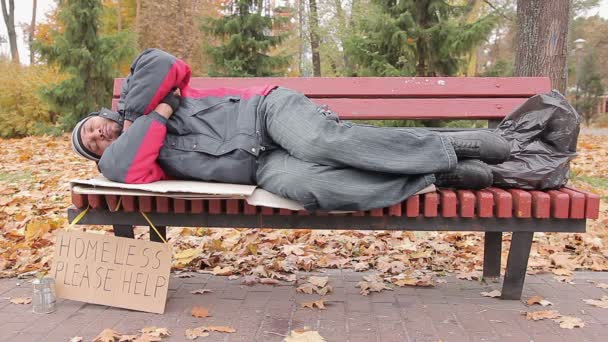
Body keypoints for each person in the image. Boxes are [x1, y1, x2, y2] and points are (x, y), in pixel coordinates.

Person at [71, 49, 510, 212]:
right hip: (258, 169)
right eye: (91, 144)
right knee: (312, 186)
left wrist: (137, 114)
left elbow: (164, 61)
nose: (97, 136)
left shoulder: (136, 96)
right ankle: (434, 176)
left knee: (320, 142)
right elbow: (127, 169)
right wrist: (158, 117)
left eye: (93, 127)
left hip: (265, 112)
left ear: (103, 116)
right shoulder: (121, 160)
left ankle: (451, 144)